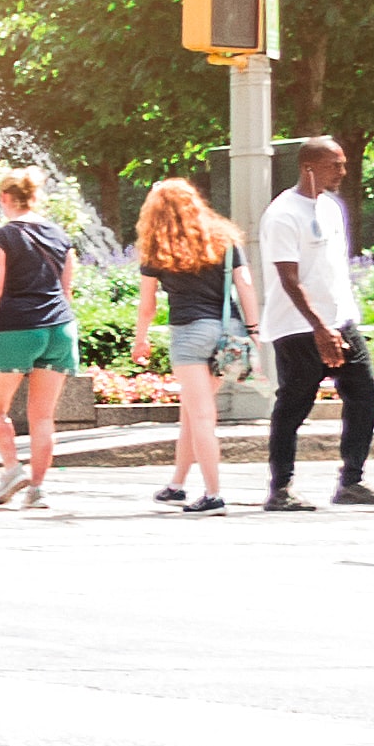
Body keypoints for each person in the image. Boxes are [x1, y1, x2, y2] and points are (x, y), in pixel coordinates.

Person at [257, 136, 374, 511]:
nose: (343, 172)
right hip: (298, 327)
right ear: (308, 167)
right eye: (336, 165)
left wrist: (338, 323)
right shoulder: (283, 214)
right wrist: (318, 326)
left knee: (365, 396)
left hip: (340, 321)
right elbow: (289, 278)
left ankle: (352, 482)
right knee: (294, 405)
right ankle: (280, 489)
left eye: (343, 164)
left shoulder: (330, 208)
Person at [128, 177, 242, 516]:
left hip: (190, 334)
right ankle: (177, 485)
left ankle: (213, 494)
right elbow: (244, 285)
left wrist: (140, 339)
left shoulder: (156, 247)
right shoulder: (223, 238)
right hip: (226, 333)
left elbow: (147, 305)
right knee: (192, 413)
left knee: (202, 415)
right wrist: (252, 329)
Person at [0, 169, 81, 509]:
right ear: (35, 198)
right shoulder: (60, 236)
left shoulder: (2, 237)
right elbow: (66, 290)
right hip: (61, 329)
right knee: (43, 416)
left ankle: (12, 469)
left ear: (5, 198)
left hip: (19, 327)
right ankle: (37, 490)